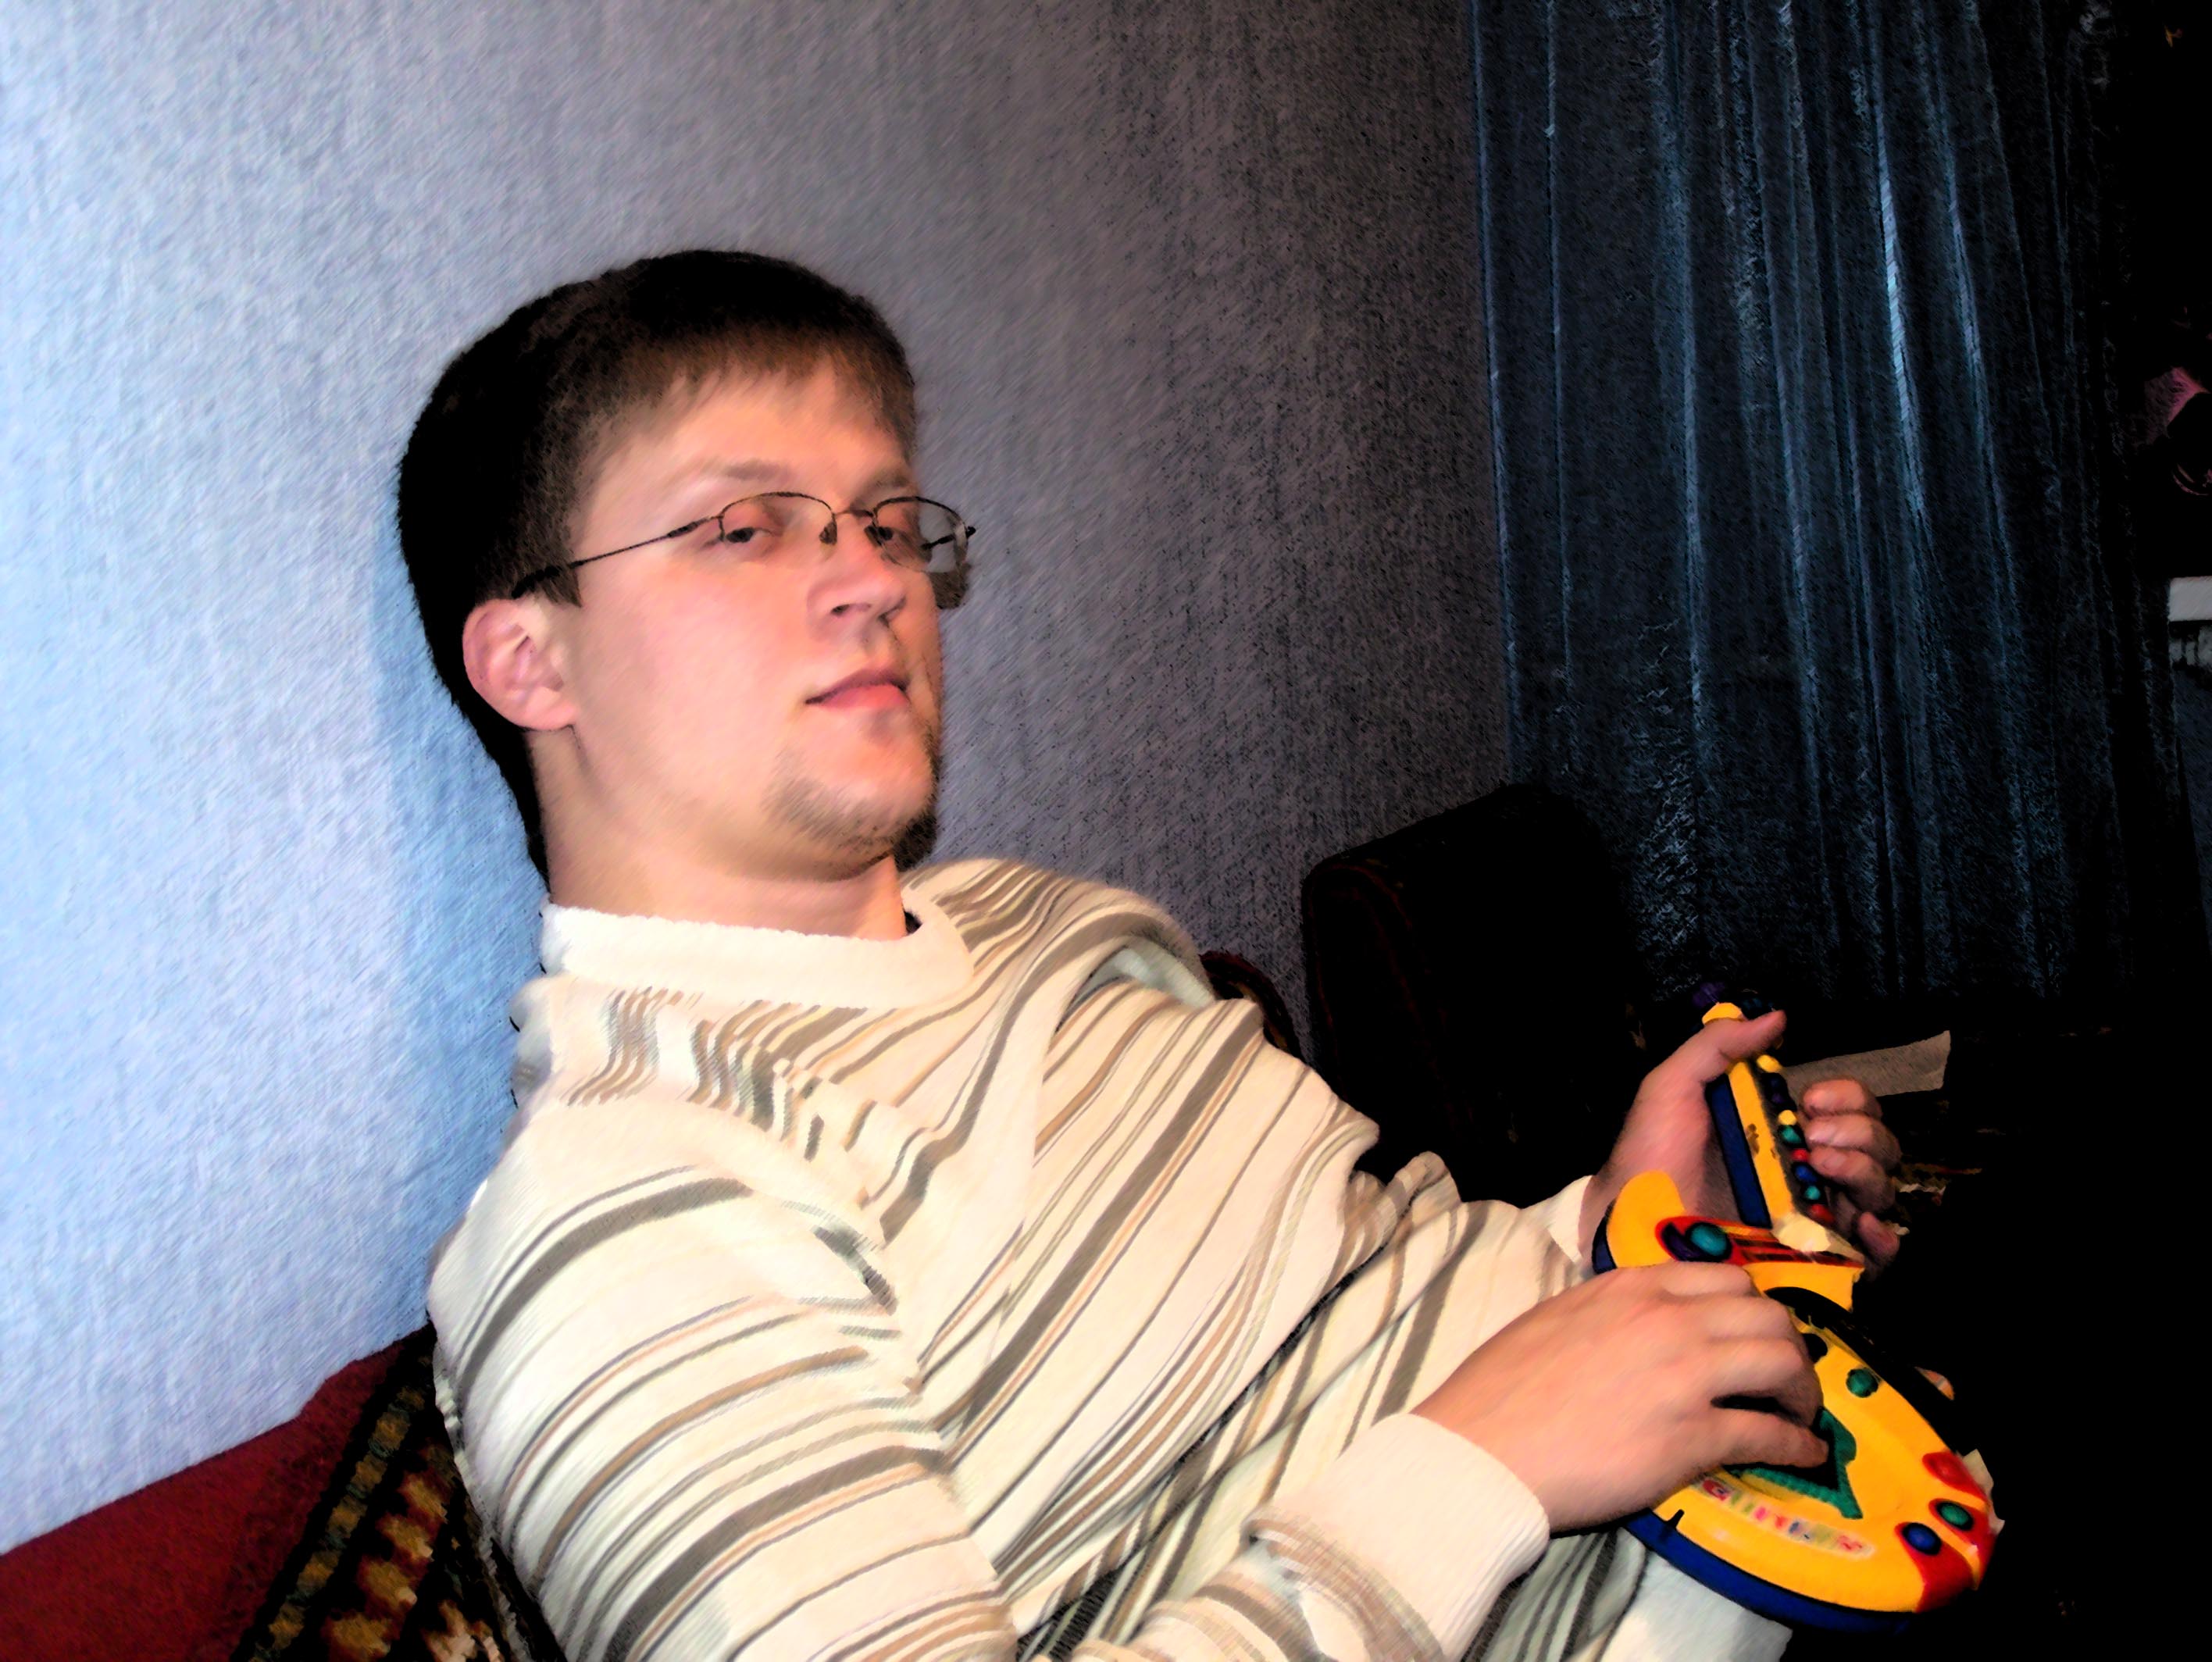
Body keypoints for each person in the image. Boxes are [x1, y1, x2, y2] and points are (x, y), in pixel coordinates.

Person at [399, 251, 1903, 1661]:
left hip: (1837, 1508)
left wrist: (1628, 1226)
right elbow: (1470, 1440)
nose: (874, 580)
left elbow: (1346, 1320)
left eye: (885, 522)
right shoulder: (630, 1205)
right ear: (532, 660)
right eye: (747, 527)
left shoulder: (1043, 927)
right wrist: (1488, 1470)